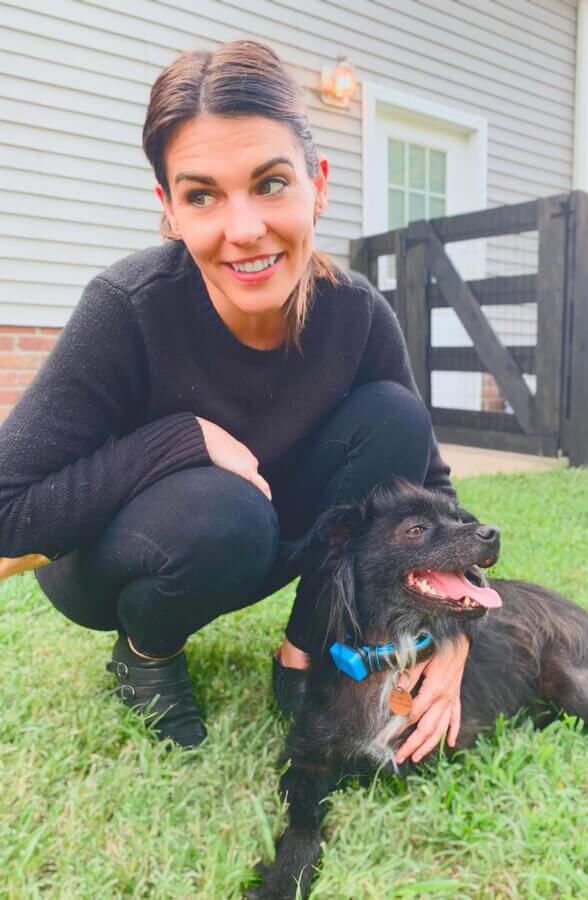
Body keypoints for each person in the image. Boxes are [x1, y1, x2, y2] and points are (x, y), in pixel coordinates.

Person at [0, 40, 471, 763]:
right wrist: (179, 440)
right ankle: (145, 652)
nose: (244, 229)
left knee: (394, 417)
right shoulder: (128, 308)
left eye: (271, 183)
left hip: (261, 531)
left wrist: (455, 629)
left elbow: (428, 490)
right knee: (228, 513)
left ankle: (303, 653)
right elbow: (7, 509)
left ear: (318, 182)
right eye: (201, 195)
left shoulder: (357, 315)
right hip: (116, 557)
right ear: (168, 210)